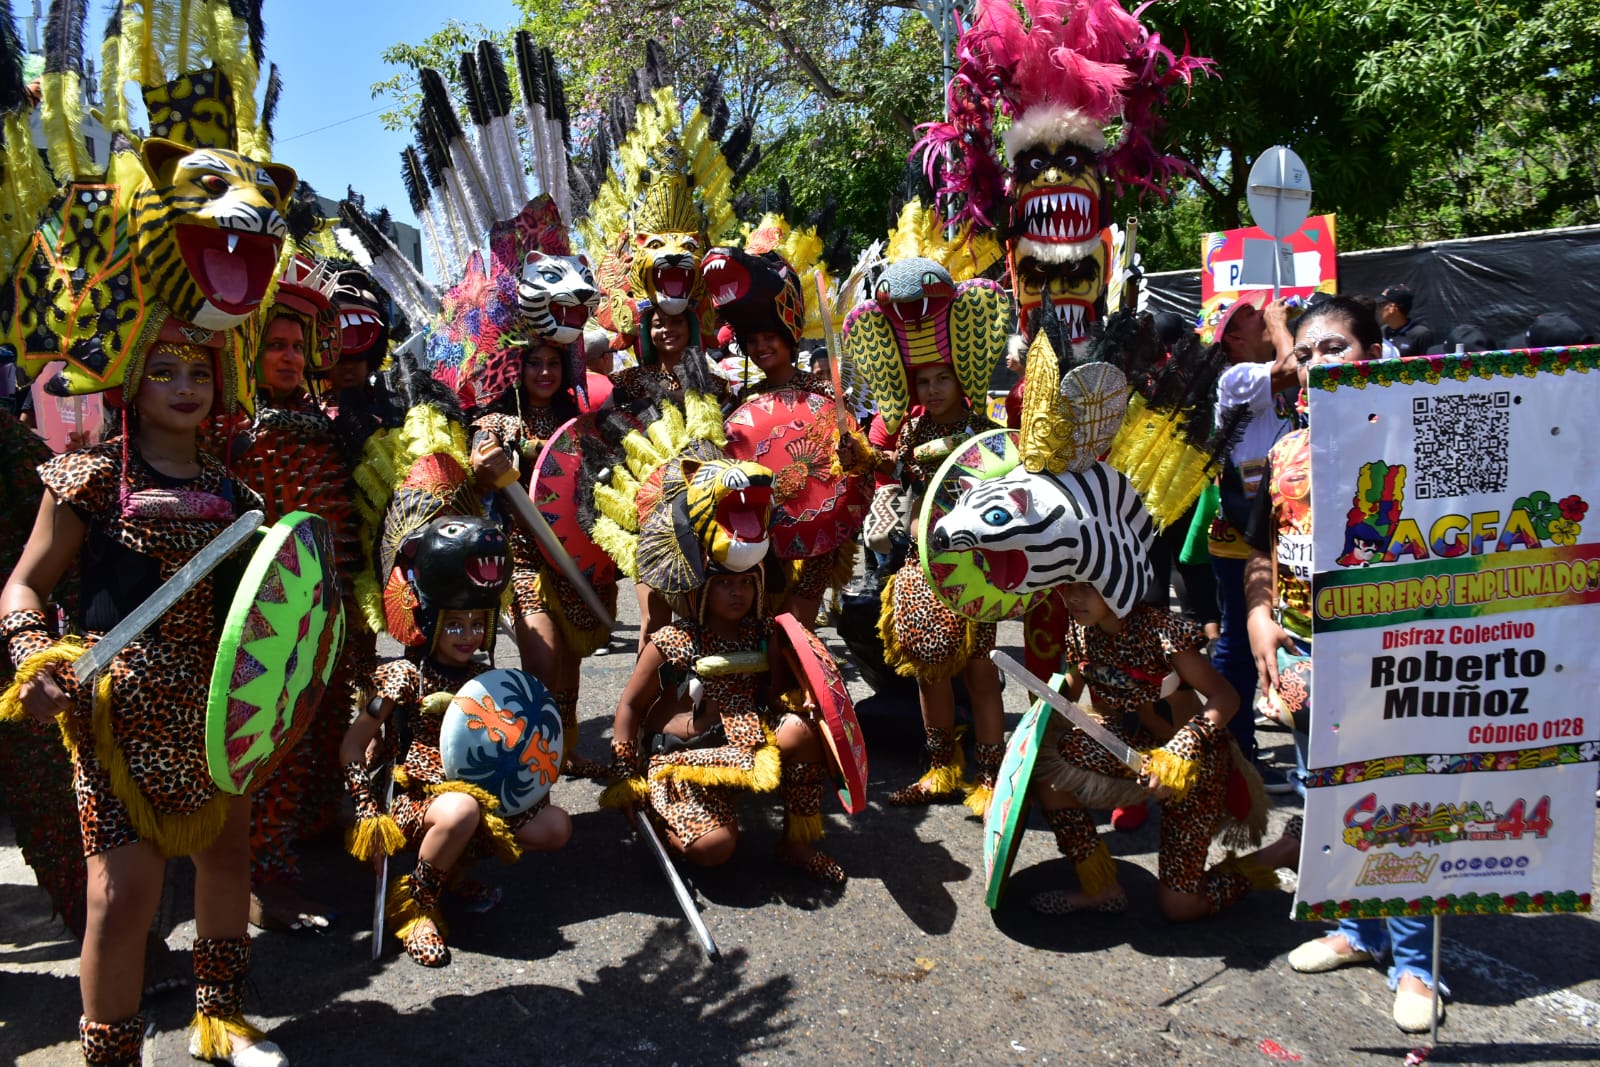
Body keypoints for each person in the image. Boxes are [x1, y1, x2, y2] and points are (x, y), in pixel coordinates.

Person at [1, 342, 287, 1065]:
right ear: (130, 383)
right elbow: (23, 585)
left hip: (218, 708)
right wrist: (33, 656)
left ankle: (220, 1023)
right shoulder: (88, 481)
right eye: (164, 372)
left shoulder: (239, 497)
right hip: (117, 715)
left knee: (226, 858)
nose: (185, 388)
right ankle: (113, 1058)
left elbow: (270, 614)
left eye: (199, 373)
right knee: (122, 893)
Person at [1244, 294, 1445, 1033]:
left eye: (1335, 348)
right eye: (1305, 351)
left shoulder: (1413, 443)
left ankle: (1417, 962)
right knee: (1325, 798)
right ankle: (1359, 934)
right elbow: (1260, 549)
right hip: (1303, 660)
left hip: (1394, 662)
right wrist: (1260, 614)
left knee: (1400, 808)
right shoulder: (1284, 452)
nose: (1316, 362)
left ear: (1374, 354)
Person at [340, 515, 573, 966]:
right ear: (430, 621)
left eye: (475, 624)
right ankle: (417, 905)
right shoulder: (402, 676)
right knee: (461, 809)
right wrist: (369, 814)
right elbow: (353, 746)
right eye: (454, 625)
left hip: (477, 795)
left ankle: (450, 871)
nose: (466, 636)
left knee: (555, 826)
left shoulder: (489, 680)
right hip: (414, 799)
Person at [602, 460, 847, 883]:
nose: (738, 592)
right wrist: (627, 777)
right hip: (684, 759)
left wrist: (805, 697)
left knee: (803, 731)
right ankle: (665, 824)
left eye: (747, 584)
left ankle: (796, 842)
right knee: (715, 850)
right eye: (725, 584)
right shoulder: (671, 641)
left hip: (747, 747)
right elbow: (629, 707)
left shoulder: (765, 633)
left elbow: (779, 693)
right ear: (702, 590)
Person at [1026, 580, 1298, 919]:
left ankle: (1284, 850)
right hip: (1131, 753)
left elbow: (1226, 697)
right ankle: (1100, 888)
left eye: (1087, 587)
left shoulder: (1162, 631)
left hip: (1194, 766)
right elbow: (1071, 685)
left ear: (1116, 580)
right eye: (1068, 586)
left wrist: (1181, 752)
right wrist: (1033, 721)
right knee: (1047, 767)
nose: (1074, 597)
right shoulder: (1083, 629)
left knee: (1180, 908)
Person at [839, 361, 1007, 815]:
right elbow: (899, 467)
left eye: (943, 378)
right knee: (929, 672)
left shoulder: (987, 432)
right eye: (925, 382)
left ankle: (991, 781)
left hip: (974, 567)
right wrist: (864, 456)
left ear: (961, 380)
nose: (932, 390)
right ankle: (941, 771)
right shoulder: (915, 427)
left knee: (979, 672)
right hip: (921, 564)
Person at [471, 341, 616, 778]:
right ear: (518, 369)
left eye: (554, 363)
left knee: (569, 661)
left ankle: (565, 748)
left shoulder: (578, 421)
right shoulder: (498, 421)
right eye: (534, 362)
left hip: (573, 556)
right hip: (524, 558)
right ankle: (530, 763)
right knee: (544, 660)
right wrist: (486, 460)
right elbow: (479, 454)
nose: (544, 372)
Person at [1207, 291, 1300, 794]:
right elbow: (1294, 370)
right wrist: (1281, 325)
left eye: (1260, 313)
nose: (1263, 318)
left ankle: (1249, 730)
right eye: (1251, 318)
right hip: (1243, 540)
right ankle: (1235, 754)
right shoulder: (1237, 377)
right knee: (1239, 645)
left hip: (1272, 532)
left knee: (1262, 639)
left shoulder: (1264, 373)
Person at [1377, 284, 1435, 359]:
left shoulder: (1421, 334)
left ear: (1392, 307)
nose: (1378, 310)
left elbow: (1428, 364)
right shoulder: (1383, 331)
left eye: (1381, 305)